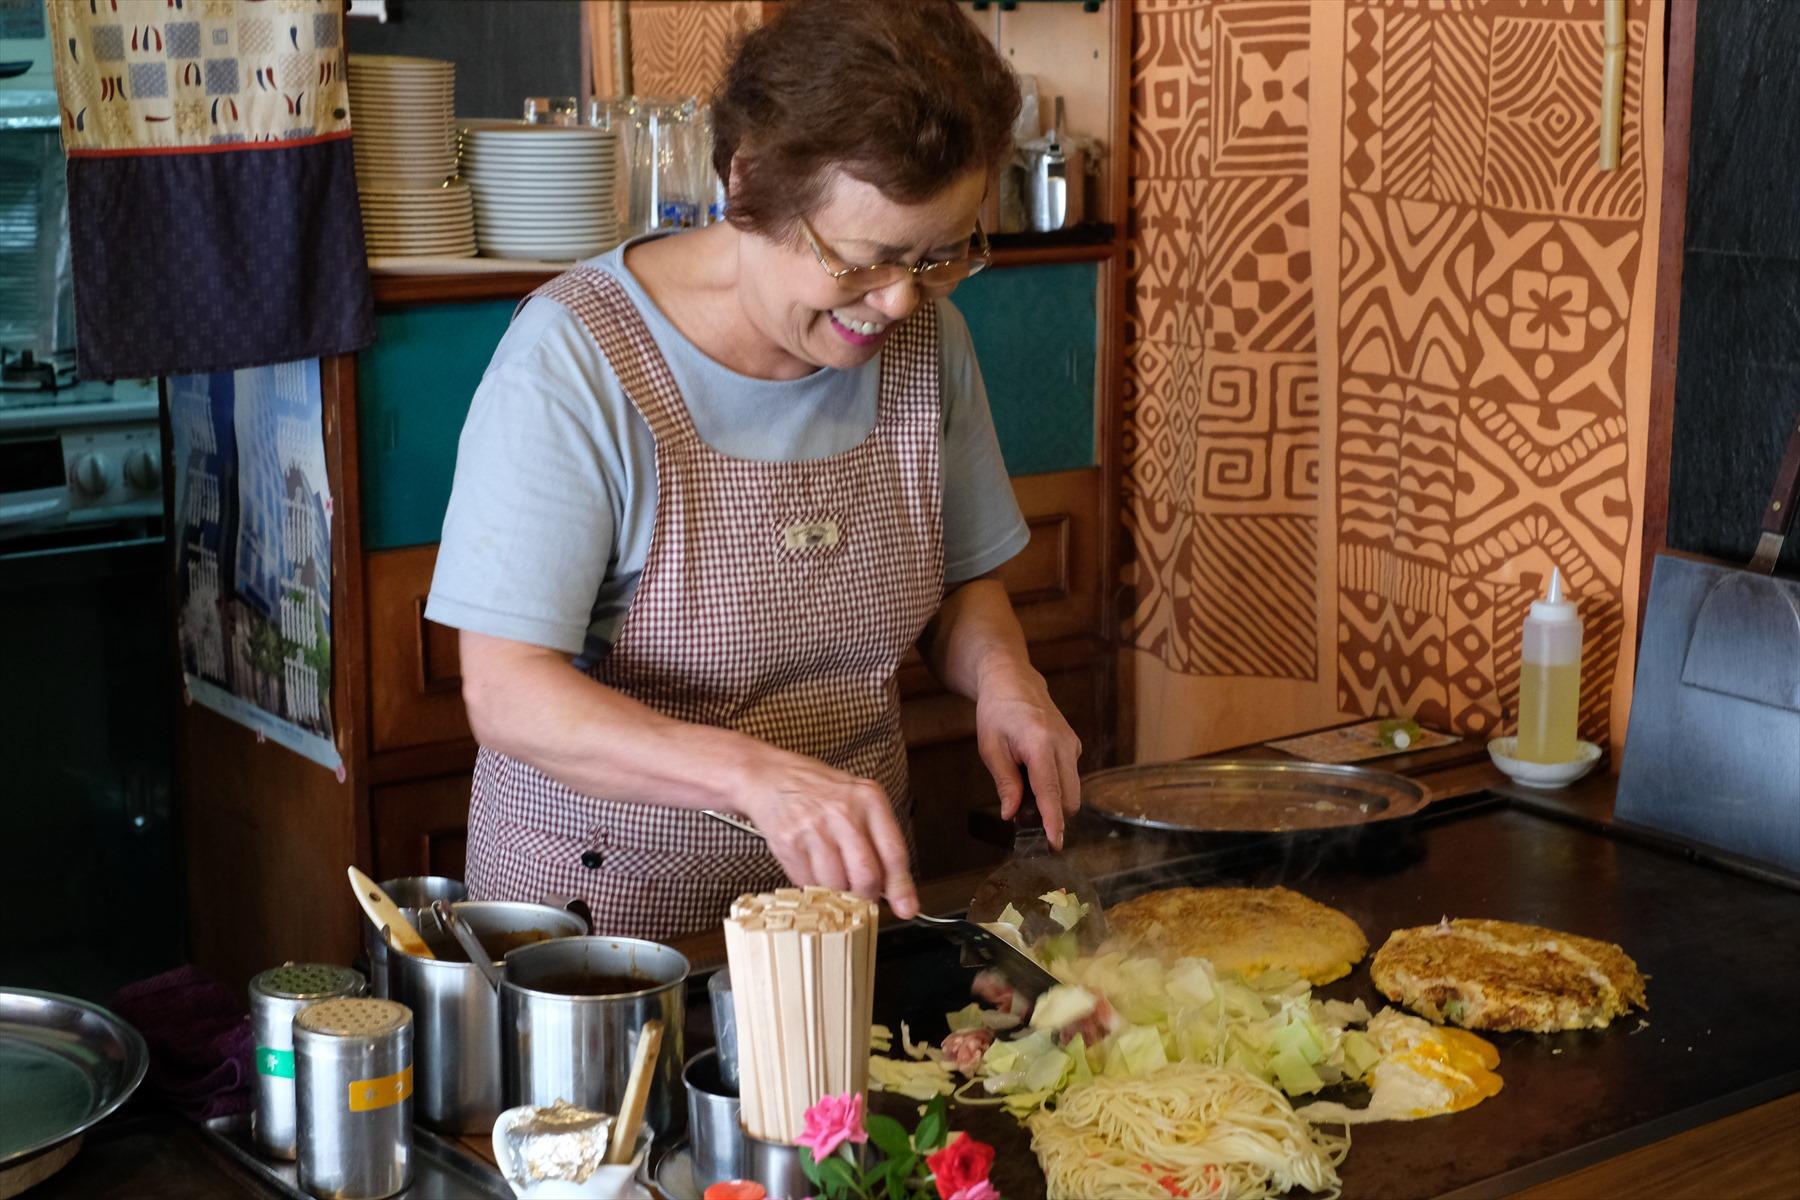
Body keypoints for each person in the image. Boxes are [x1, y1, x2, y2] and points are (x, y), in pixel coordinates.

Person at [425, 0, 1082, 941]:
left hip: (845, 909)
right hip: (612, 931)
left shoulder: (927, 342)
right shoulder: (575, 361)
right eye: (861, 261)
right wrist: (755, 775)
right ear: (747, 186)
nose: (898, 300)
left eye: (939, 257)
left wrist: (1006, 678)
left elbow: (962, 587)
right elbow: (508, 693)